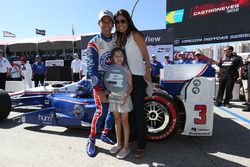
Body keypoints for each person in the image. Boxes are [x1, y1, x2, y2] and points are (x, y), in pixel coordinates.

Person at [114, 9, 152, 158]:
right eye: (117, 21)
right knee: (126, 112)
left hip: (137, 77)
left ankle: (142, 145)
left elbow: (146, 55)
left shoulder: (135, 35)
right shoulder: (119, 38)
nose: (119, 24)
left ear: (128, 21)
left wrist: (148, 71)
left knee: (138, 112)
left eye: (122, 20)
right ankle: (129, 141)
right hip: (124, 79)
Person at [86, 9, 117, 157]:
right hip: (100, 80)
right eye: (103, 21)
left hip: (115, 80)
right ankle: (91, 138)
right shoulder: (94, 42)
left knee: (113, 110)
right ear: (99, 23)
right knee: (101, 112)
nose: (106, 23)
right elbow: (91, 67)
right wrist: (98, 89)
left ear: (112, 24)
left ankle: (105, 133)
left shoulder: (117, 39)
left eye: (109, 21)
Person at [108, 47, 133, 159]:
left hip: (124, 97)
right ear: (113, 58)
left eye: (121, 56)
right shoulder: (111, 68)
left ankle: (126, 146)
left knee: (124, 120)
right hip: (114, 97)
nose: (119, 58)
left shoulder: (126, 69)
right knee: (117, 120)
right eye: (116, 56)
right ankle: (118, 144)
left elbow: (131, 85)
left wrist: (126, 96)